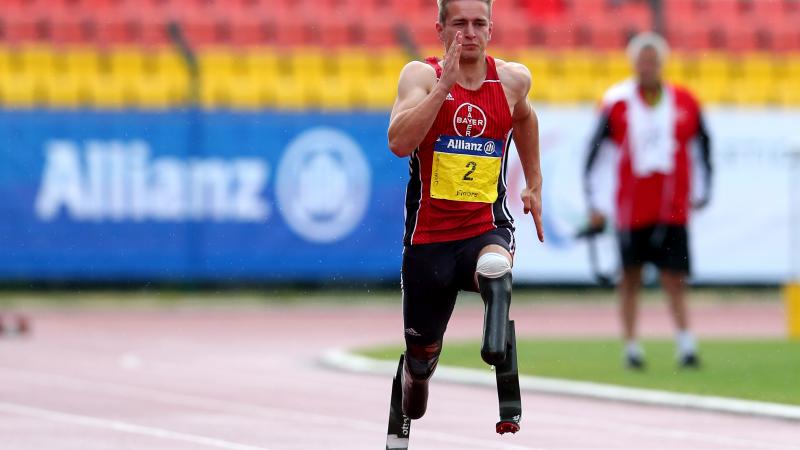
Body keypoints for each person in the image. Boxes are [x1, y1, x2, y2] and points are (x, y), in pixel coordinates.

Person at [386, 0, 543, 435]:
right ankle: (408, 387)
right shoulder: (420, 76)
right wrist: (444, 89)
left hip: (484, 227)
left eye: (479, 24)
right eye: (459, 24)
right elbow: (398, 143)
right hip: (429, 242)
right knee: (420, 374)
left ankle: (502, 369)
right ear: (440, 28)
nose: (469, 33)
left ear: (491, 28)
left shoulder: (512, 79)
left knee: (496, 267)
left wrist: (534, 182)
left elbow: (526, 118)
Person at [584, 32, 712, 370]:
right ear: (633, 64)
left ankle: (686, 344)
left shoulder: (685, 100)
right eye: (642, 61)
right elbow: (596, 156)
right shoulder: (617, 103)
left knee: (675, 277)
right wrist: (596, 202)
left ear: (662, 64)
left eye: (653, 61)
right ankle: (631, 346)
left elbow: (702, 148)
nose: (648, 67)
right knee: (629, 277)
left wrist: (703, 191)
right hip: (631, 207)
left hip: (673, 206)